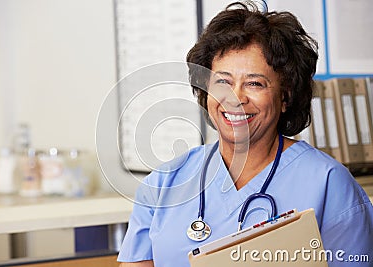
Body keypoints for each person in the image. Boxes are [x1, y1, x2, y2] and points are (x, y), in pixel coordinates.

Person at [117, 1, 373, 266]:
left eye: (254, 83)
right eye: (222, 82)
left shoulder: (329, 184)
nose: (235, 98)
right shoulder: (162, 184)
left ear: (285, 96)